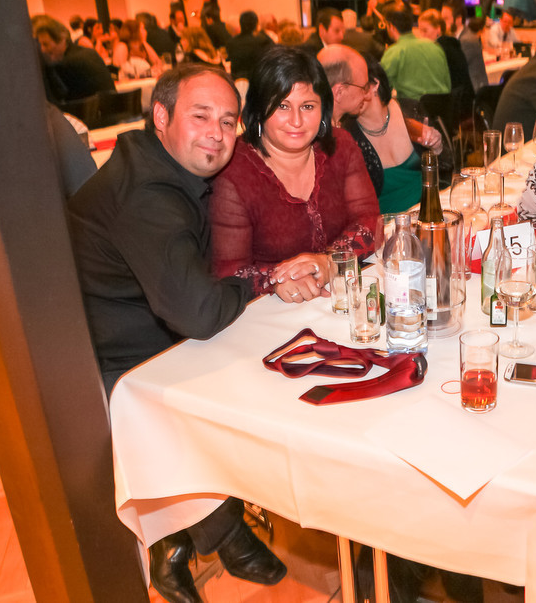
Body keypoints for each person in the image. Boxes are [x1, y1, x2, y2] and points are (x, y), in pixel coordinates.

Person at [68, 64, 288, 603]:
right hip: (108, 358)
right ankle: (197, 537)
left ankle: (206, 534)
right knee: (228, 379)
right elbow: (199, 312)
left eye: (229, 121)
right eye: (201, 116)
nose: (217, 133)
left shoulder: (161, 163)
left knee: (256, 354)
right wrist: (260, 281)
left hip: (145, 323)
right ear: (161, 117)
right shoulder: (148, 193)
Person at [209, 46, 380, 298]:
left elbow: (370, 220)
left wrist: (330, 261)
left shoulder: (340, 146)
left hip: (342, 296)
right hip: (270, 311)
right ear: (259, 109)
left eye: (308, 106)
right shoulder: (234, 172)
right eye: (282, 106)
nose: (297, 121)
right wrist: (276, 280)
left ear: (323, 108)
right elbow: (230, 272)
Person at [341, 59, 442, 213]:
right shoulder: (347, 134)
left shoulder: (411, 109)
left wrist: (437, 147)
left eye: (352, 86)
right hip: (386, 223)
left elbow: (446, 167)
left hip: (428, 213)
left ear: (374, 84)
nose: (346, 94)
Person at [33, 15, 115, 103]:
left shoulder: (65, 65)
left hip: (96, 110)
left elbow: (58, 101)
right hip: (112, 106)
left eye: (45, 44)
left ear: (61, 39)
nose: (43, 50)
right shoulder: (89, 53)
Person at [379, 6, 451, 101]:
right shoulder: (436, 47)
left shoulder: (394, 52)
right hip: (443, 107)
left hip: (412, 108)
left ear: (391, 27)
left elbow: (382, 88)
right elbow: (447, 84)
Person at [226, 10, 273, 80]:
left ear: (240, 24)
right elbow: (274, 52)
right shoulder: (262, 41)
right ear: (256, 25)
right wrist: (262, 32)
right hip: (257, 79)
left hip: (237, 79)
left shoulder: (231, 42)